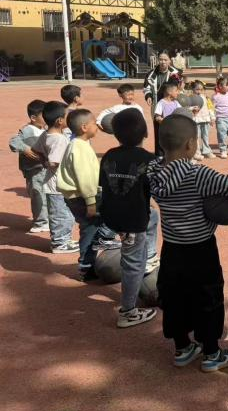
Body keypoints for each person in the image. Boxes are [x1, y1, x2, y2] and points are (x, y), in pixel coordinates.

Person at [147, 114, 228, 371]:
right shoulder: (200, 174)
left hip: (172, 248)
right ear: (190, 144)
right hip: (201, 249)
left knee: (174, 297)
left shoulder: (152, 172)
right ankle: (212, 353)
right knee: (208, 297)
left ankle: (182, 348)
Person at [98, 108, 159, 328]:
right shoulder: (150, 159)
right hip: (131, 220)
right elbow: (159, 190)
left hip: (111, 214)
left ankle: (148, 256)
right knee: (133, 263)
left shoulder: (109, 155)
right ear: (146, 133)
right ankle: (128, 312)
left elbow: (103, 185)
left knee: (153, 216)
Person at [57, 109, 112, 279]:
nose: (97, 126)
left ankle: (87, 265)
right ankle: (88, 263)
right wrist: (90, 202)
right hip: (83, 197)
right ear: (84, 127)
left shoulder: (78, 144)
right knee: (99, 223)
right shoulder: (79, 147)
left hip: (78, 196)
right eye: (94, 123)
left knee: (89, 228)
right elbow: (85, 178)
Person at [31, 102, 78, 254]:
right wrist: (48, 163)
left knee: (62, 213)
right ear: (59, 121)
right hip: (59, 184)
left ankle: (64, 239)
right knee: (61, 214)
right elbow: (54, 161)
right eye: (67, 116)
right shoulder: (59, 139)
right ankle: (60, 243)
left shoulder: (46, 134)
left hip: (54, 182)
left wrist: (43, 161)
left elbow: (36, 150)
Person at [9, 100, 49, 233]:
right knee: (38, 195)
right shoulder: (27, 130)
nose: (47, 117)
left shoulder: (45, 129)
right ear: (33, 118)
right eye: (44, 115)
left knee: (46, 195)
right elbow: (13, 141)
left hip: (44, 168)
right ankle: (40, 223)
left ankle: (46, 219)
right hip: (34, 170)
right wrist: (25, 148)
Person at [143, 51, 181, 153]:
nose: (163, 62)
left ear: (169, 61)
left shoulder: (175, 73)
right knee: (158, 129)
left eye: (165, 60)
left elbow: (175, 88)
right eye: (160, 59)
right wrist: (148, 96)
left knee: (172, 129)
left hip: (171, 104)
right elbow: (146, 88)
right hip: (157, 105)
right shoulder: (151, 74)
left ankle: (172, 153)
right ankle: (159, 154)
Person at [190, 80, 215, 160]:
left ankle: (207, 151)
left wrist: (212, 118)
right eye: (197, 89)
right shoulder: (190, 98)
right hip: (196, 120)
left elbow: (210, 108)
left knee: (205, 136)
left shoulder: (206, 98)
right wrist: (192, 108)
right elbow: (187, 108)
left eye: (201, 89)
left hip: (205, 120)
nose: (199, 91)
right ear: (193, 89)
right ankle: (197, 153)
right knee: (196, 137)